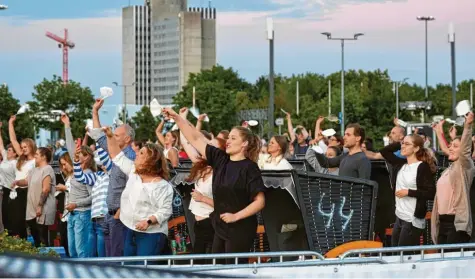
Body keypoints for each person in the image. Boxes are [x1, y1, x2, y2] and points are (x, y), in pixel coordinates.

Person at [167, 107, 266, 261]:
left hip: (240, 229)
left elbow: (260, 202)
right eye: (229, 138)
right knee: (217, 268)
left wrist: (236, 216)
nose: (228, 141)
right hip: (219, 227)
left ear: (244, 144)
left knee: (233, 272)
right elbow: (195, 138)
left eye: (233, 138)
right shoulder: (220, 159)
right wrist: (177, 118)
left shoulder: (250, 168)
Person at [103, 126, 173, 257]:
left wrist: (148, 221)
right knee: (131, 269)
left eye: (141, 153)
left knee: (144, 270)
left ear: (150, 161)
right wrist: (109, 135)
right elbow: (116, 156)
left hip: (152, 234)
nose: (136, 154)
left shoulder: (162, 186)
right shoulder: (133, 172)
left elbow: (165, 211)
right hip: (130, 229)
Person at [90, 98, 136, 257]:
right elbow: (99, 137)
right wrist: (95, 111)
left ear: (127, 139)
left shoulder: (131, 157)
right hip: (110, 214)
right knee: (111, 258)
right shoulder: (115, 152)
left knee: (119, 258)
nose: (113, 138)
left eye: (117, 135)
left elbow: (134, 188)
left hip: (121, 215)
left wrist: (120, 211)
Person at [179, 108, 226, 255]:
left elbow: (226, 205)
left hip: (212, 222)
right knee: (198, 256)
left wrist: (202, 198)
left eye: (211, 146)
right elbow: (187, 142)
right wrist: (180, 117)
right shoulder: (202, 165)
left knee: (208, 259)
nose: (207, 148)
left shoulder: (222, 172)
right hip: (198, 221)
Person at [380, 134, 436, 247]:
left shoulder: (422, 167)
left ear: (416, 148)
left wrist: (409, 192)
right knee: (395, 253)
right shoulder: (401, 164)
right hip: (399, 217)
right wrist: (400, 141)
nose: (403, 146)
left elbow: (431, 193)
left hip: (412, 219)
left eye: (407, 144)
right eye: (402, 144)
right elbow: (384, 151)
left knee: (404, 254)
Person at [432, 112, 475, 244]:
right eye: (451, 145)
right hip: (442, 222)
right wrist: (439, 132)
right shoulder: (448, 169)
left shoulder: (464, 166)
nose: (450, 148)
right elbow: (447, 149)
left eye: (455, 147)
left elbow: (465, 150)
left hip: (456, 224)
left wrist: (468, 126)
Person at [62, 114, 96, 258]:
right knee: (72, 250)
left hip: (82, 214)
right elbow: (71, 147)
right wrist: (67, 125)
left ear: (87, 157)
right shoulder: (77, 171)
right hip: (73, 215)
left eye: (82, 154)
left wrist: (76, 204)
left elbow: (92, 196)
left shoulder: (88, 173)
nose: (77, 155)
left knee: (81, 251)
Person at [12, 147, 56, 247]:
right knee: (36, 240)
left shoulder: (47, 169)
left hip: (42, 211)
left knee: (42, 240)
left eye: (37, 154)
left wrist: (40, 206)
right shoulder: (34, 170)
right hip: (32, 211)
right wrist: (17, 182)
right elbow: (26, 181)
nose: (34, 156)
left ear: (44, 157)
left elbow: (46, 189)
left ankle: (45, 260)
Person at [8, 115, 37, 239]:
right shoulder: (21, 158)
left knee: (26, 220)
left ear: (31, 147)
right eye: (22, 147)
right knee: (15, 221)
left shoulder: (36, 160)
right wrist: (10, 124)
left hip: (27, 190)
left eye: (26, 147)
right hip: (16, 190)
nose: (23, 149)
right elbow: (13, 140)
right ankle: (19, 243)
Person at [88, 144, 112, 257]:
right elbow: (80, 176)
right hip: (93, 218)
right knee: (91, 255)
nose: (102, 165)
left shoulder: (112, 175)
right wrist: (76, 160)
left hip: (103, 218)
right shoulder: (98, 176)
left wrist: (98, 138)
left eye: (103, 163)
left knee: (102, 256)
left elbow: (105, 159)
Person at [0, 122, 18, 233]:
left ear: (15, 153)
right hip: (2, 190)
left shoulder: (16, 163)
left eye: (10, 150)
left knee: (8, 217)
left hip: (10, 192)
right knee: (3, 217)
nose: (7, 151)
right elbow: (0, 144)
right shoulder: (6, 159)